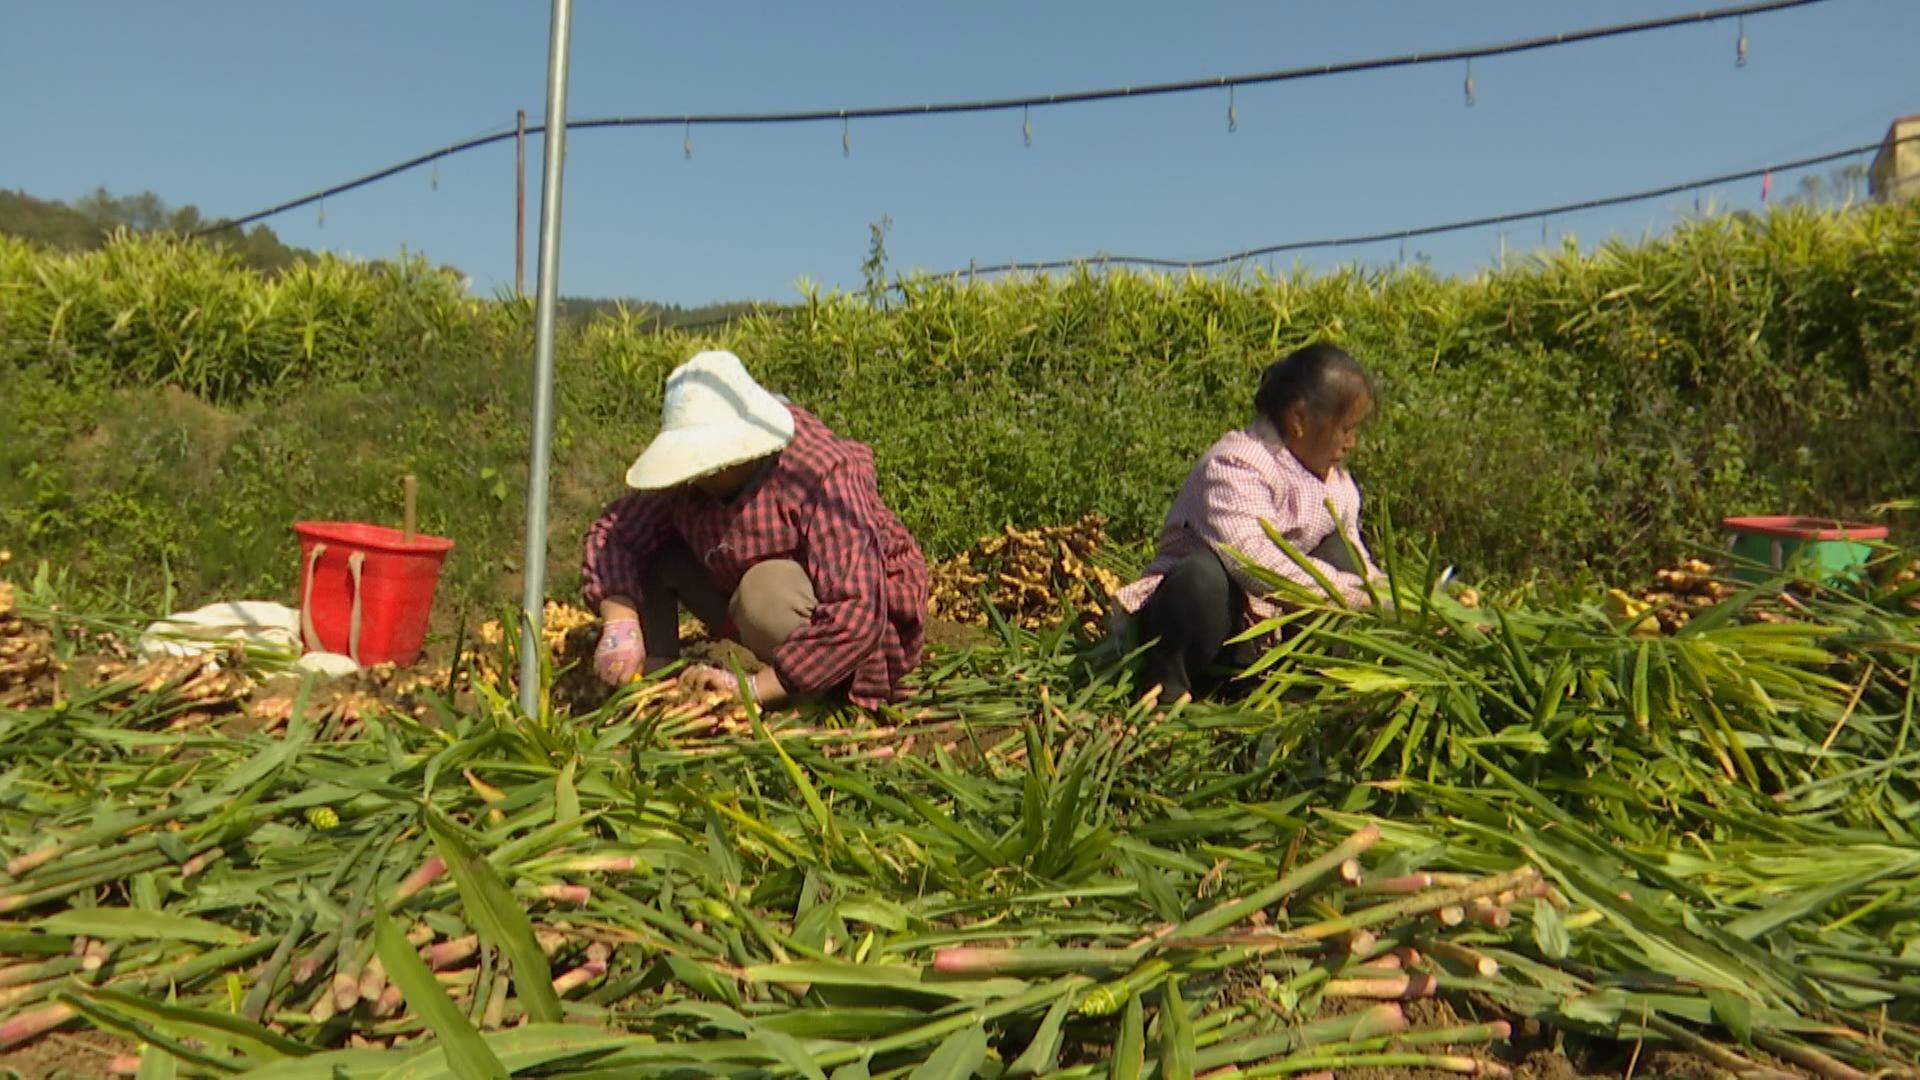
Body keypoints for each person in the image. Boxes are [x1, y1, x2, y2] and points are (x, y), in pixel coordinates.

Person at [582, 350, 929, 709]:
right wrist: (619, 622)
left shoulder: (819, 470)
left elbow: (856, 612)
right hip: (741, 606)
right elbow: (614, 535)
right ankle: (657, 680)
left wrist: (750, 690)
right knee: (657, 554)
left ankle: (809, 690)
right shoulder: (689, 484)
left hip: (848, 633)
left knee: (762, 592)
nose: (701, 475)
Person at [1113, 343, 1384, 703]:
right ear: (1299, 419)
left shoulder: (1337, 484)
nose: (1351, 443)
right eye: (1344, 428)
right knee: (1204, 577)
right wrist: (1353, 596)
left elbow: (1359, 562)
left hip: (1264, 637)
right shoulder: (1236, 464)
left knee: (1342, 553)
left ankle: (1303, 693)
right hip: (1202, 626)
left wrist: (1393, 597)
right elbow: (1254, 562)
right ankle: (1166, 689)